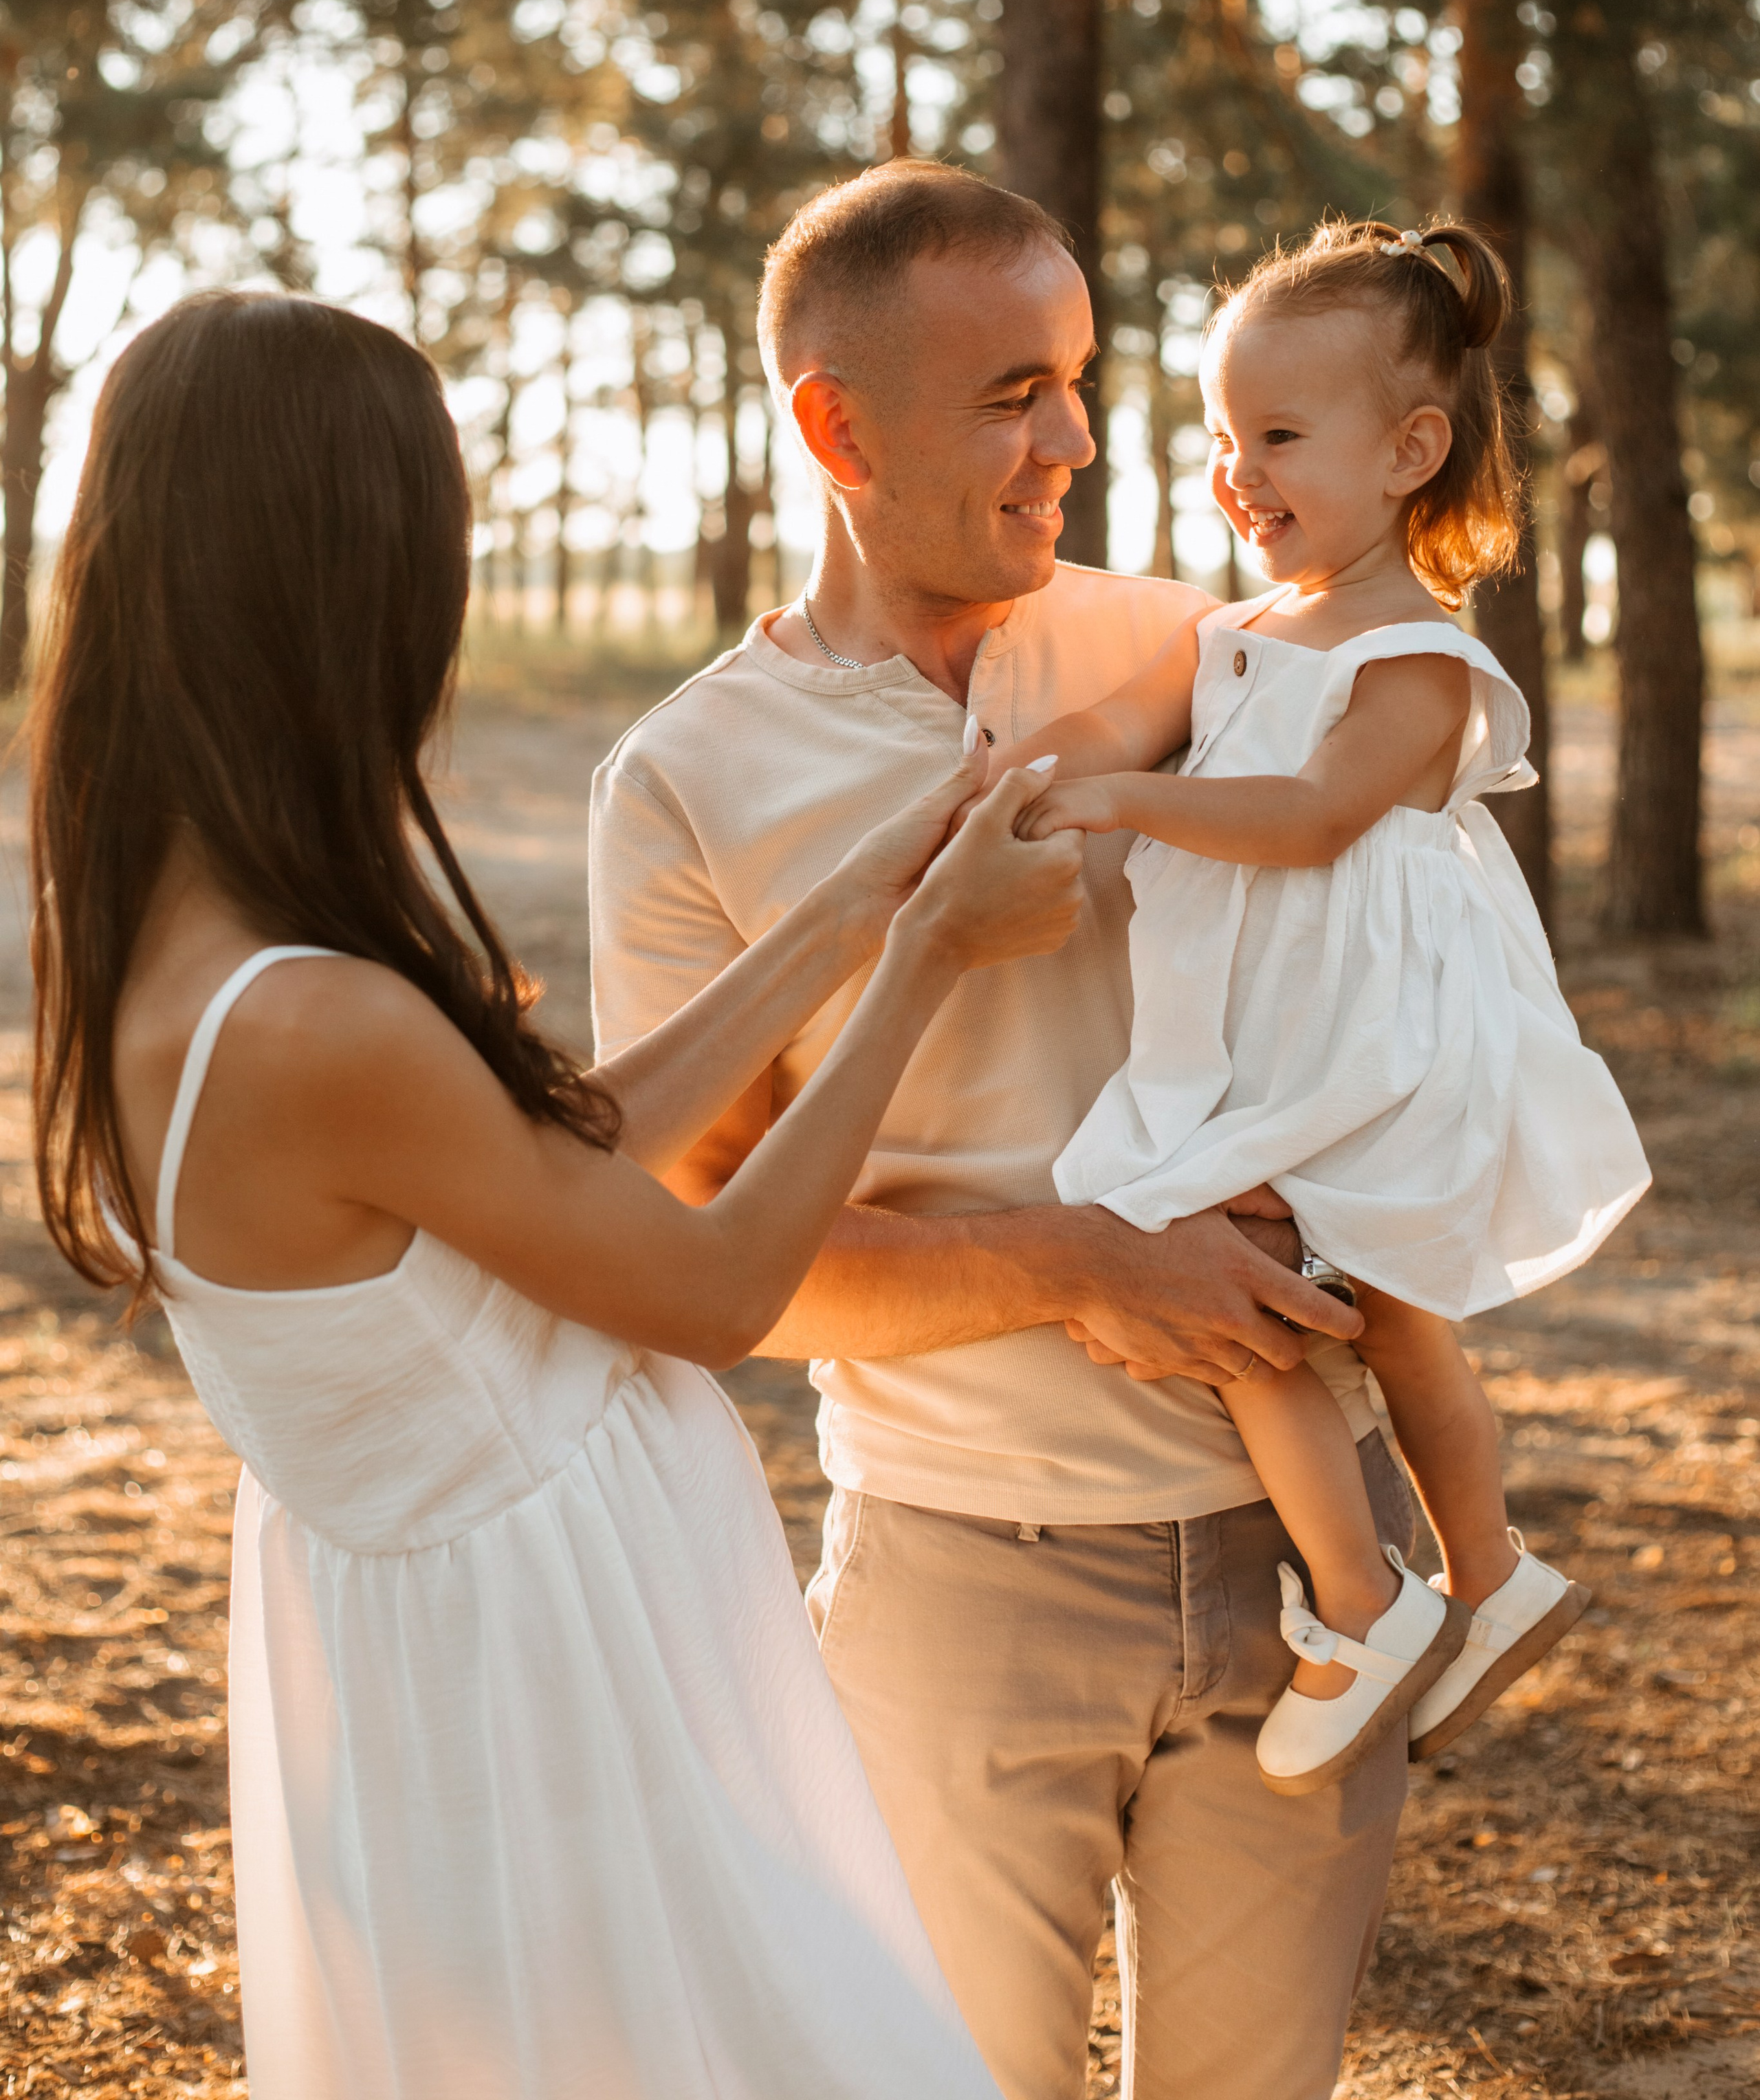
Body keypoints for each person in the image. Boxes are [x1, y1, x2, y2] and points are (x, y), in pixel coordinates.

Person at [32, 289, 1090, 2100]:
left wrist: (849, 910)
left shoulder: (185, 930)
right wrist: (926, 961)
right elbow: (716, 1289)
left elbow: (546, 1162)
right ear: (342, 585)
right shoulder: (314, 1018)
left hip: (481, 1667)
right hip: (553, 1695)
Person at [588, 162, 1411, 2100]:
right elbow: (712, 1267)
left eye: (1079, 381)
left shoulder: (1209, 651)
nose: (1076, 443)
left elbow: (1403, 968)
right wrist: (1074, 1266)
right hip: (965, 1584)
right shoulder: (683, 783)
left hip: (1310, 1563)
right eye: (1012, 396)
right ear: (835, 430)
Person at [1004, 217, 1650, 1797]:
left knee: (1259, 1289)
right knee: (1324, 1309)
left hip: (1369, 1044)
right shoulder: (1232, 634)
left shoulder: (1417, 659)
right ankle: (1483, 1581)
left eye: (1278, 436)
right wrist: (1012, 772)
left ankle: (1377, 1600)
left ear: (1408, 451)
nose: (1238, 471)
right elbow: (1113, 723)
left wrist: (1116, 803)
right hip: (1257, 1039)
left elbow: (1306, 821)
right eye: (1224, 437)